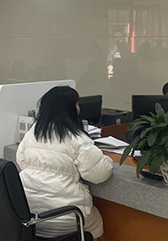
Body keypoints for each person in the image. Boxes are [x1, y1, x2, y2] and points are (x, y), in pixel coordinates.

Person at [17, 86, 113, 240]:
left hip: (30, 214)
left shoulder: (34, 132)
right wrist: (107, 159)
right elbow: (99, 174)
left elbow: (21, 161)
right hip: (65, 216)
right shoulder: (77, 137)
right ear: (70, 108)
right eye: (77, 103)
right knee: (96, 221)